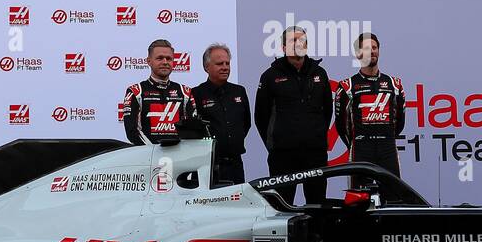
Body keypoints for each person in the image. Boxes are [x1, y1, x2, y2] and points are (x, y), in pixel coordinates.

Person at [254, 26, 333, 204]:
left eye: (302, 40)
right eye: (293, 40)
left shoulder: (320, 73)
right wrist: (276, 143)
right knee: (281, 206)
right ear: (283, 47)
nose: (298, 43)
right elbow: (261, 117)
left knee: (317, 205)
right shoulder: (270, 76)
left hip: (315, 154)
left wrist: (315, 134)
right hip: (283, 155)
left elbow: (327, 111)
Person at [334, 31, 406, 182]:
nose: (372, 51)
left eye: (374, 47)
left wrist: (386, 137)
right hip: (361, 148)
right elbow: (341, 126)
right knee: (359, 200)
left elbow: (400, 121)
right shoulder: (347, 86)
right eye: (367, 48)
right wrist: (355, 142)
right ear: (358, 53)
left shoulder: (395, 84)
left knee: (393, 197)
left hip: (387, 147)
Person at [191, 43, 251, 185]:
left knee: (237, 206)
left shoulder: (239, 91)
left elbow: (246, 123)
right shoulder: (196, 94)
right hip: (207, 165)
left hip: (235, 164)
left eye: (227, 63)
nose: (225, 67)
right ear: (206, 67)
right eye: (219, 64)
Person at [121, 39, 199, 144]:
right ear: (149, 61)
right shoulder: (136, 91)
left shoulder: (185, 92)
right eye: (160, 58)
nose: (165, 62)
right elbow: (132, 131)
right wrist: (153, 151)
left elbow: (193, 130)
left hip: (180, 157)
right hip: (148, 156)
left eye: (169, 58)